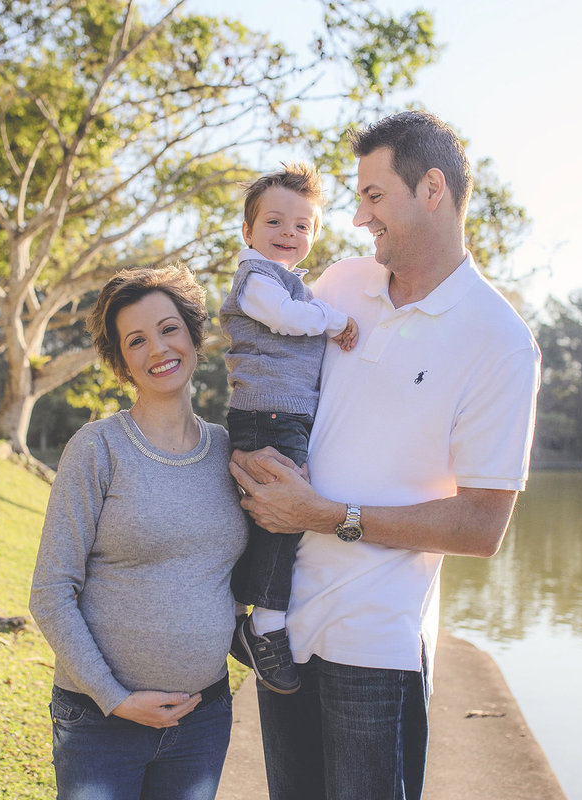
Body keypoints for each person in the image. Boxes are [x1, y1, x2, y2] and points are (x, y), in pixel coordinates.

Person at [229, 111, 541, 800]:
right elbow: (263, 380)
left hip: (376, 643)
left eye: (373, 196)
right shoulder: (338, 285)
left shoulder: (500, 341)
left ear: (431, 189)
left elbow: (482, 526)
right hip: (283, 626)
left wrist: (325, 514)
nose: (359, 215)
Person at [28, 265, 249, 800]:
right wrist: (115, 698)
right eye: (137, 340)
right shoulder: (98, 448)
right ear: (121, 361)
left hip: (201, 719)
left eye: (169, 329)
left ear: (194, 336)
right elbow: (51, 592)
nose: (158, 349)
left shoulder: (229, 451)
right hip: (100, 724)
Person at [218, 163, 357, 695]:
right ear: (249, 231)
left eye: (302, 227)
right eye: (275, 222)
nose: (289, 235)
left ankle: (236, 616)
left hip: (282, 412)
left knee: (269, 514)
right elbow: (282, 318)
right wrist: (335, 320)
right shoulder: (257, 280)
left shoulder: (291, 283)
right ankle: (265, 626)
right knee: (286, 515)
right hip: (268, 413)